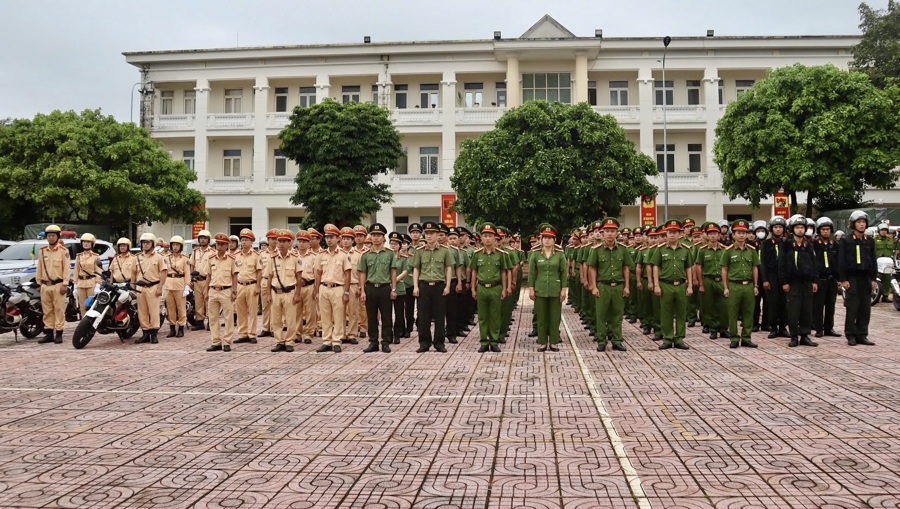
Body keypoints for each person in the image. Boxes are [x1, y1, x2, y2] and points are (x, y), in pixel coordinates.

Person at [586, 218, 631, 352]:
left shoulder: (623, 249)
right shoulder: (596, 250)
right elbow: (592, 269)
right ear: (603, 233)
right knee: (601, 315)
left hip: (618, 286)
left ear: (617, 233)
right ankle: (601, 340)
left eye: (612, 231)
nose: (610, 234)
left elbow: (626, 268)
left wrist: (627, 286)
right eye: (607, 231)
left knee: (617, 315)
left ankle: (617, 340)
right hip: (602, 286)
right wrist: (593, 287)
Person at [411, 221, 454, 353]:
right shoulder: (419, 251)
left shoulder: (445, 251)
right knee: (423, 316)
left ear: (437, 235)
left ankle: (439, 343)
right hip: (424, 286)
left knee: (440, 315)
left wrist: (447, 286)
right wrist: (415, 286)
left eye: (432, 233)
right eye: (427, 233)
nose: (429, 236)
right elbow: (416, 269)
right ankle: (424, 343)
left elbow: (448, 269)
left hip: (439, 286)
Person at [649, 219, 693, 350]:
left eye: (675, 232)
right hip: (665, 284)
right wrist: (656, 284)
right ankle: (667, 338)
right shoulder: (660, 249)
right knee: (666, 312)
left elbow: (689, 268)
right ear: (666, 234)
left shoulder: (685, 250)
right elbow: (655, 267)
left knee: (681, 313)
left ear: (680, 234)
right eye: (669, 232)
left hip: (680, 285)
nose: (672, 235)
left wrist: (690, 285)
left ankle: (679, 338)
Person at [777, 215, 818, 347]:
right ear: (792, 229)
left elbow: (814, 264)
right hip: (793, 283)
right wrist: (784, 282)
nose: (800, 230)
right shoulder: (786, 244)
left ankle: (805, 335)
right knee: (793, 310)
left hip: (806, 282)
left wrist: (814, 281)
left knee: (807, 310)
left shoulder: (808, 245)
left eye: (802, 227)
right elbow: (781, 264)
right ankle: (794, 336)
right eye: (797, 227)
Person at [838, 210, 878, 346]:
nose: (862, 225)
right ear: (853, 224)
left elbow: (873, 260)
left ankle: (862, 334)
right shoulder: (846, 241)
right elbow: (841, 261)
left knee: (865, 308)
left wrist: (873, 279)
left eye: (863, 222)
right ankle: (850, 335)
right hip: (852, 278)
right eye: (859, 222)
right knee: (852, 307)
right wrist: (843, 279)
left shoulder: (870, 241)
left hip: (866, 278)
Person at [470, 223, 510, 352]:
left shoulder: (500, 254)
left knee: (495, 315)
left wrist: (504, 288)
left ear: (494, 238)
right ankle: (483, 341)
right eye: (485, 236)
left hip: (495, 287)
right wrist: (472, 288)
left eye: (490, 236)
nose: (487, 238)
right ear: (481, 238)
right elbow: (474, 272)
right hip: (481, 287)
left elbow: (503, 272)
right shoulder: (477, 254)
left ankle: (494, 341)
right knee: (482, 316)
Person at [721, 219, 760, 348]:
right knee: (732, 312)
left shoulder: (752, 250)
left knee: (749, 312)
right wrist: (725, 287)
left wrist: (755, 285)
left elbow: (755, 268)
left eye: (744, 232)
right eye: (738, 232)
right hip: (734, 285)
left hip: (748, 285)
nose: (742, 235)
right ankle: (734, 337)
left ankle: (746, 337)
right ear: (733, 235)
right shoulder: (728, 251)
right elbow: (724, 269)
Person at [528, 225, 568, 352]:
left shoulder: (560, 255)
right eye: (544, 237)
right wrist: (531, 288)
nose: (547, 240)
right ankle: (542, 342)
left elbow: (563, 273)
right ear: (541, 239)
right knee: (541, 317)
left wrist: (563, 289)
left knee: (555, 317)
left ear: (554, 239)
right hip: (540, 290)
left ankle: (554, 342)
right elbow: (532, 273)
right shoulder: (535, 254)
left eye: (550, 238)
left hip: (555, 290)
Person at [358, 223, 396, 353]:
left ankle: (386, 342)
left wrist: (394, 289)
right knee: (371, 317)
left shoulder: (390, 254)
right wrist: (362, 290)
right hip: (370, 288)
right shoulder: (366, 254)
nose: (376, 238)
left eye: (379, 235)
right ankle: (373, 342)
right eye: (373, 235)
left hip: (385, 288)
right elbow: (362, 273)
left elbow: (393, 272)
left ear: (383, 238)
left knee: (386, 317)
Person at [315, 224, 352, 353]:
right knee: (325, 317)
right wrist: (317, 291)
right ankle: (326, 341)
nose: (329, 240)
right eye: (327, 237)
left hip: (338, 288)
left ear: (338, 239)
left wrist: (346, 292)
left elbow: (347, 274)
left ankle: (337, 341)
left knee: (338, 316)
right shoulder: (322, 255)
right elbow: (318, 273)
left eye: (332, 237)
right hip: (324, 288)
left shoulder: (343, 255)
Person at [263, 229, 301, 353]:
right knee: (276, 319)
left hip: (290, 292)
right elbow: (269, 277)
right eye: (279, 241)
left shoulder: (295, 257)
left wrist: (297, 294)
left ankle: (289, 341)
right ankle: (279, 341)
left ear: (290, 243)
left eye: (285, 241)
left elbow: (299, 277)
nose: (281, 244)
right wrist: (268, 294)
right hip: (275, 292)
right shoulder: (272, 258)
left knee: (290, 319)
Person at [36, 225, 71, 344]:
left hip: (58, 284)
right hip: (45, 285)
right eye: (49, 236)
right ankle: (49, 333)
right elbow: (39, 267)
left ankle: (59, 332)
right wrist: (39, 282)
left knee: (59, 309)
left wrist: (65, 284)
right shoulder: (42, 250)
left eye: (53, 235)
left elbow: (66, 269)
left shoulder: (63, 251)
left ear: (58, 236)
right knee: (47, 310)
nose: (51, 238)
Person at [695, 223, 729, 340]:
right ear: (707, 236)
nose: (713, 236)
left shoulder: (725, 250)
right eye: (710, 234)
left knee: (724, 305)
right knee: (709, 306)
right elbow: (698, 267)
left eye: (715, 234)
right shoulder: (702, 250)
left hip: (721, 280)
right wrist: (701, 284)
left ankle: (723, 328)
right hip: (708, 279)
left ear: (719, 235)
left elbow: (727, 267)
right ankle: (713, 329)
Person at [205, 233, 238, 352]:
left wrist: (234, 291)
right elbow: (208, 275)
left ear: (227, 245)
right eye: (218, 244)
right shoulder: (211, 259)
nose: (219, 246)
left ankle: (227, 341)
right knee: (213, 318)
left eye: (222, 244)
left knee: (228, 317)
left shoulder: (231, 259)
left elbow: (234, 276)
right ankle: (216, 342)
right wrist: (206, 290)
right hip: (213, 290)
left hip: (226, 290)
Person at [134, 232, 167, 345]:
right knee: (142, 312)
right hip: (140, 287)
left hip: (153, 286)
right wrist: (133, 287)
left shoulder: (159, 257)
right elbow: (134, 273)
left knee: (153, 311)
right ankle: (145, 333)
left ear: (152, 244)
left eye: (147, 243)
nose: (145, 245)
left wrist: (160, 287)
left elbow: (163, 272)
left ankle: (154, 334)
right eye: (143, 243)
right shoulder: (137, 257)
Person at [760, 216, 790, 339]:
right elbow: (763, 263)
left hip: (784, 277)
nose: (778, 230)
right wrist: (765, 280)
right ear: (772, 229)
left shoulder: (787, 243)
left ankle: (783, 327)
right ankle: (773, 327)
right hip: (771, 276)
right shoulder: (766, 244)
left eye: (780, 227)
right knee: (772, 303)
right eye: (775, 227)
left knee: (784, 303)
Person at [812, 217, 841, 339]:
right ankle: (818, 328)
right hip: (819, 279)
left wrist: (839, 278)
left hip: (831, 279)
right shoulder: (814, 245)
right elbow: (812, 263)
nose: (825, 232)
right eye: (823, 229)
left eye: (828, 229)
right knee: (818, 306)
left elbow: (838, 262)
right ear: (819, 231)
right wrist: (814, 280)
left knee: (831, 304)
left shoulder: (834, 245)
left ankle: (829, 327)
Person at [234, 229, 263, 345]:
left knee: (252, 311)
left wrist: (258, 286)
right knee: (240, 311)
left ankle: (252, 334)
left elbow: (259, 272)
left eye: (246, 240)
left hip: (252, 285)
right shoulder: (236, 256)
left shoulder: (256, 255)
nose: (244, 242)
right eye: (242, 240)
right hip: (240, 285)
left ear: (252, 242)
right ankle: (242, 334)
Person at [163, 235, 190, 338]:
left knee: (181, 307)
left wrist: (187, 285)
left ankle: (181, 328)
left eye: (177, 245)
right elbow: (163, 272)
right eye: (173, 245)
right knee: (170, 308)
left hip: (180, 283)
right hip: (169, 283)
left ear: (181, 246)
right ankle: (172, 328)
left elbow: (187, 273)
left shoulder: (185, 259)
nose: (175, 247)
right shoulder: (166, 258)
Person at [340, 227, 363, 345]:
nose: (346, 241)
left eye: (348, 239)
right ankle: (341, 334)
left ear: (353, 241)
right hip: (340, 286)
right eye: (344, 238)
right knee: (340, 312)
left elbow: (360, 272)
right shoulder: (338, 254)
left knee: (353, 311)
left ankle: (352, 334)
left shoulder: (358, 255)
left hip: (354, 285)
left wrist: (360, 287)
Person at [295, 230, 318, 344]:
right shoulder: (293, 256)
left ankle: (309, 334)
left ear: (309, 243)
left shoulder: (314, 257)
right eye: (300, 241)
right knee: (296, 312)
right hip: (296, 287)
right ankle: (297, 334)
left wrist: (316, 289)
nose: (302, 244)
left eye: (304, 241)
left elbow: (317, 274)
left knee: (310, 312)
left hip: (309, 286)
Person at [190, 230, 215, 331]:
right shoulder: (195, 252)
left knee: (208, 301)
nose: (202, 240)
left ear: (208, 240)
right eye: (201, 238)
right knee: (198, 302)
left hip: (207, 280)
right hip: (197, 280)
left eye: (205, 238)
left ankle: (210, 321)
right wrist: (191, 279)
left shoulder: (213, 252)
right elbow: (192, 266)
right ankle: (200, 322)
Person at [388, 232, 410, 343]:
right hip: (387, 287)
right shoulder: (386, 256)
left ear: (400, 245)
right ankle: (388, 335)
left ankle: (397, 335)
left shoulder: (403, 258)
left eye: (396, 243)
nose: (393, 245)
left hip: (399, 287)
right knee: (387, 314)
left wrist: (395, 279)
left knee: (399, 313)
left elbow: (406, 271)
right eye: (391, 243)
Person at [74, 233, 101, 316]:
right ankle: (83, 324)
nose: (85, 244)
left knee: (91, 305)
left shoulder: (95, 256)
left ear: (92, 244)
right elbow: (76, 271)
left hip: (91, 283)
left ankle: (91, 324)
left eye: (88, 242)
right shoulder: (78, 256)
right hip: (81, 283)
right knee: (82, 306)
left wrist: (97, 285)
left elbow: (98, 271)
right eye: (84, 242)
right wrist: (75, 286)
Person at [258, 230, 278, 338]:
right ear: (268, 240)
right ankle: (266, 327)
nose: (274, 241)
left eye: (276, 239)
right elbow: (259, 270)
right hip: (265, 280)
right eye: (272, 239)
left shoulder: (280, 252)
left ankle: (274, 328)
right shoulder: (262, 254)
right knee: (265, 305)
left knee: (275, 306)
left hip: (276, 281)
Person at [874, 222, 895, 303]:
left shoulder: (891, 240)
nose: (884, 232)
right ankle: (875, 295)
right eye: (882, 230)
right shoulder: (874, 240)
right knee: (876, 278)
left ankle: (885, 296)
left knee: (887, 279)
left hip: (887, 263)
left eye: (885, 230)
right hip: (877, 262)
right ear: (879, 231)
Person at [401, 234, 415, 337]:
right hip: (399, 285)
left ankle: (408, 328)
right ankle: (401, 328)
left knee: (409, 309)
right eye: (401, 243)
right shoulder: (395, 256)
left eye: (404, 243)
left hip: (410, 284)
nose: (402, 245)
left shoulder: (412, 257)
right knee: (399, 308)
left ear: (408, 245)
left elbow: (415, 270)